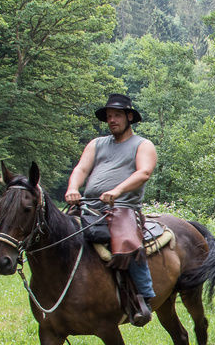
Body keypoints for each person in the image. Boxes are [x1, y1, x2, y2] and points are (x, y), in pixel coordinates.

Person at [64, 93, 157, 327]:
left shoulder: (143, 145)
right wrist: (73, 188)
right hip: (88, 206)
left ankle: (144, 299)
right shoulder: (96, 144)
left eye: (117, 115)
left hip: (122, 208)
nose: (112, 120)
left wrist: (117, 191)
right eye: (108, 116)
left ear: (129, 117)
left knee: (127, 241)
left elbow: (144, 173)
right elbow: (81, 168)